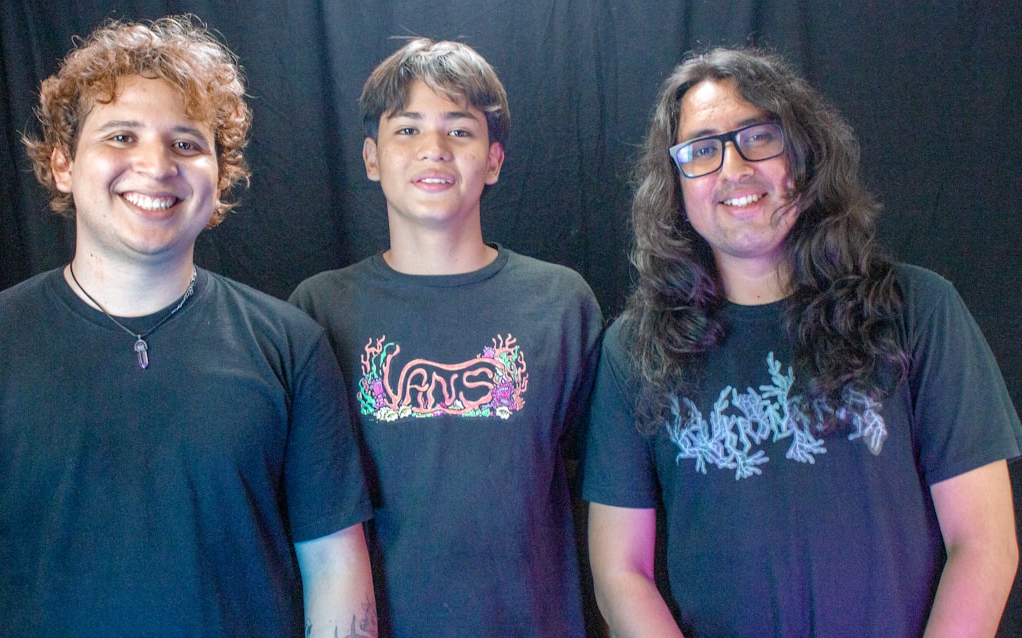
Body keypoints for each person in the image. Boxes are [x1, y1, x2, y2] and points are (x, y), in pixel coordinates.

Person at [0, 15, 376, 638]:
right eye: (121, 136)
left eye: (186, 143)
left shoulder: (288, 345)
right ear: (63, 165)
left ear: (218, 176)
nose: (156, 164)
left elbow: (335, 567)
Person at [582, 46, 1021, 637]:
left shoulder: (919, 310)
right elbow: (619, 571)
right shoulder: (632, 350)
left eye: (758, 136)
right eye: (702, 149)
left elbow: (984, 542)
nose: (733, 169)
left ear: (804, 153)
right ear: (676, 181)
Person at [288, 38, 603, 636]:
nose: (433, 150)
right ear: (371, 157)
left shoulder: (562, 304)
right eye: (406, 130)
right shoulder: (319, 310)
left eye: (459, 131)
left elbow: (612, 499)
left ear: (494, 160)